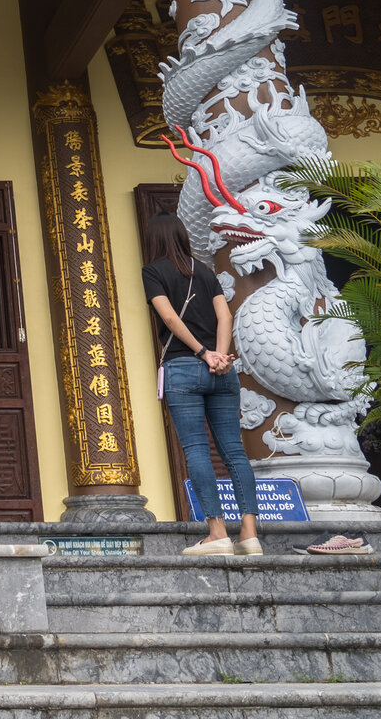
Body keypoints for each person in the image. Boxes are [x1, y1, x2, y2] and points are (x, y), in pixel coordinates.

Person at [142, 212, 261, 556]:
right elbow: (226, 315)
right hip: (222, 373)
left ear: (154, 240)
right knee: (234, 452)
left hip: (184, 367)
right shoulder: (204, 271)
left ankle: (217, 532)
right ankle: (250, 534)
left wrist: (203, 353)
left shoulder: (153, 272)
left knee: (196, 450)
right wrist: (220, 356)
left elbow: (168, 316)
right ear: (181, 236)